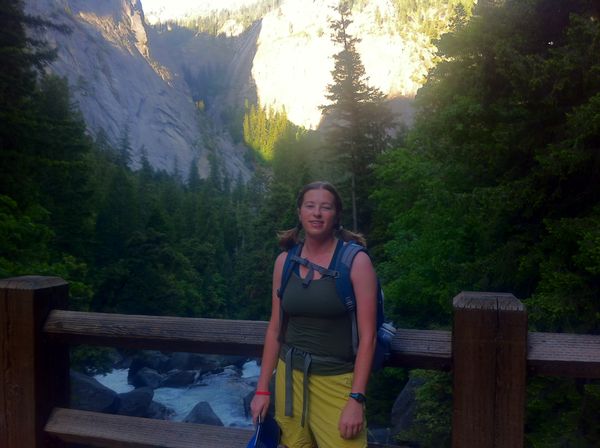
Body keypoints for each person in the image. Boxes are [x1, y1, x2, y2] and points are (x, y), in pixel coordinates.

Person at [250, 181, 378, 448]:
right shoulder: (284, 262)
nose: (317, 213)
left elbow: (369, 337)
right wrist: (262, 389)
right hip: (289, 380)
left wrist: (356, 399)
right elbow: (275, 329)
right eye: (310, 206)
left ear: (336, 215)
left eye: (325, 207)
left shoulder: (356, 262)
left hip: (337, 381)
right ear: (300, 213)